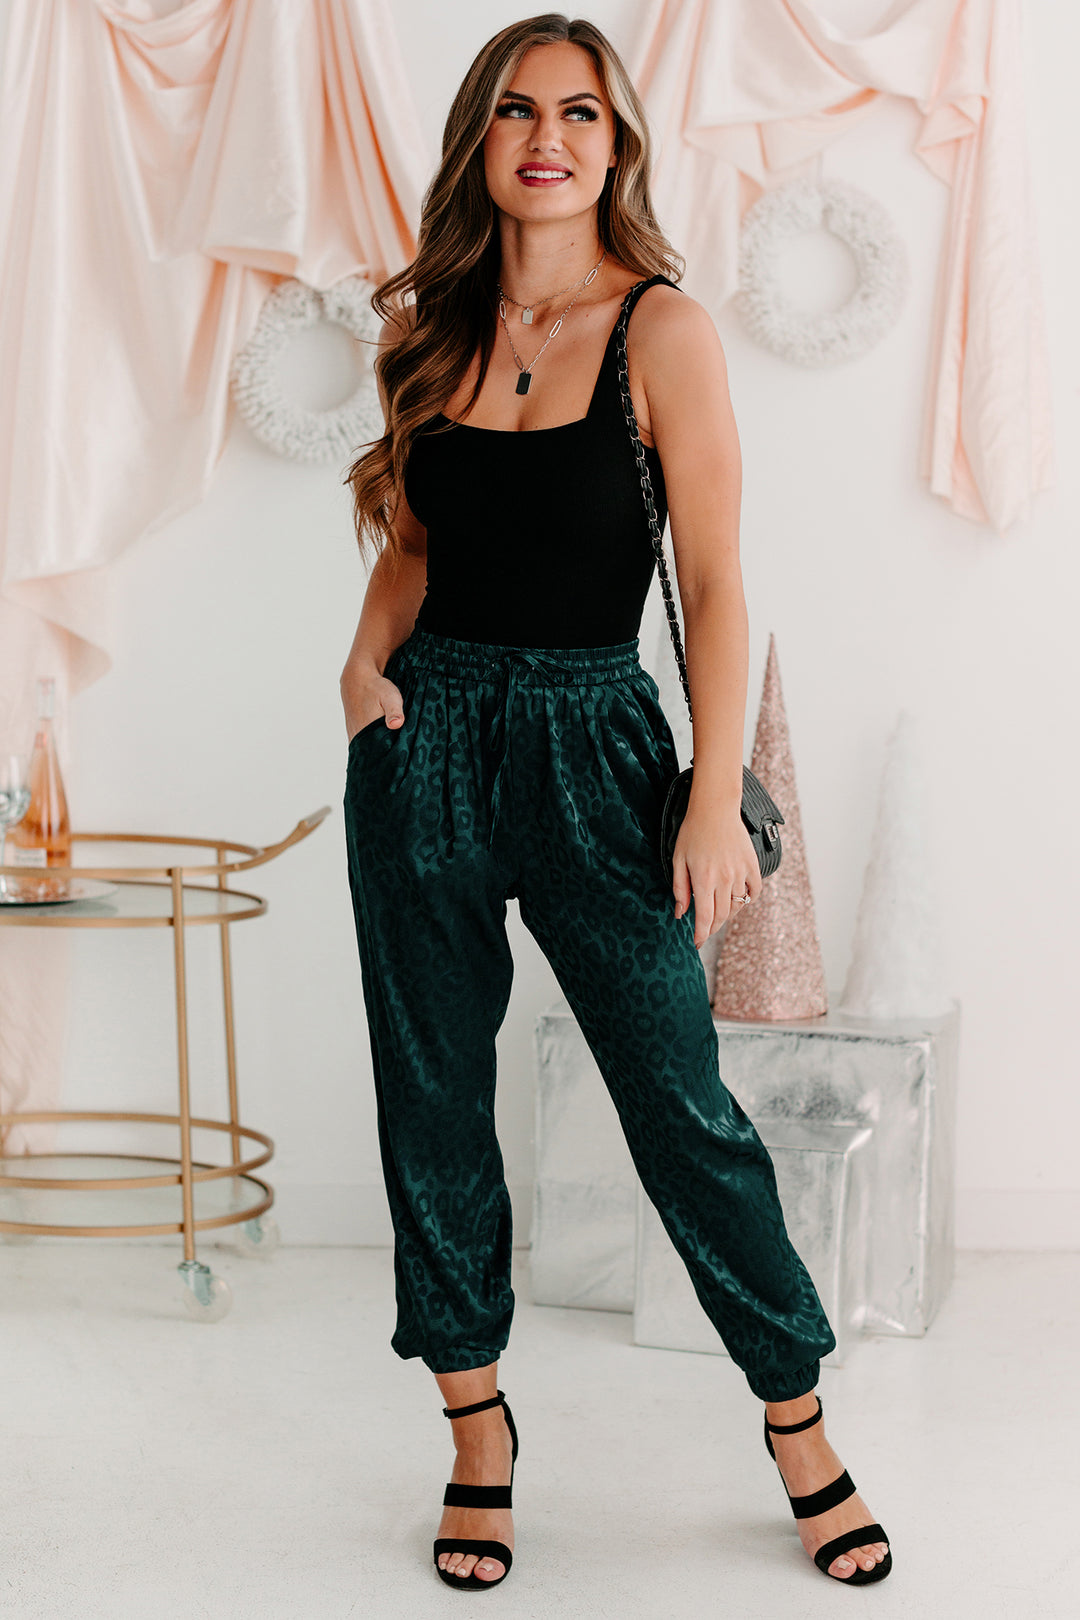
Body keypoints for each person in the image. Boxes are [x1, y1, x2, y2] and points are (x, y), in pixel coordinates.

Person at [340, 12, 891, 1595]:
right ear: (481, 137)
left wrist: (711, 799)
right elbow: (414, 542)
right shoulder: (432, 329)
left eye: (581, 112)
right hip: (427, 742)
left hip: (598, 744)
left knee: (682, 1107)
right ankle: (476, 1432)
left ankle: (798, 1421)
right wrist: (362, 672)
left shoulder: (664, 330)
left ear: (618, 143)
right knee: (432, 1101)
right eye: (519, 110)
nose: (549, 139)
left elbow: (713, 585)